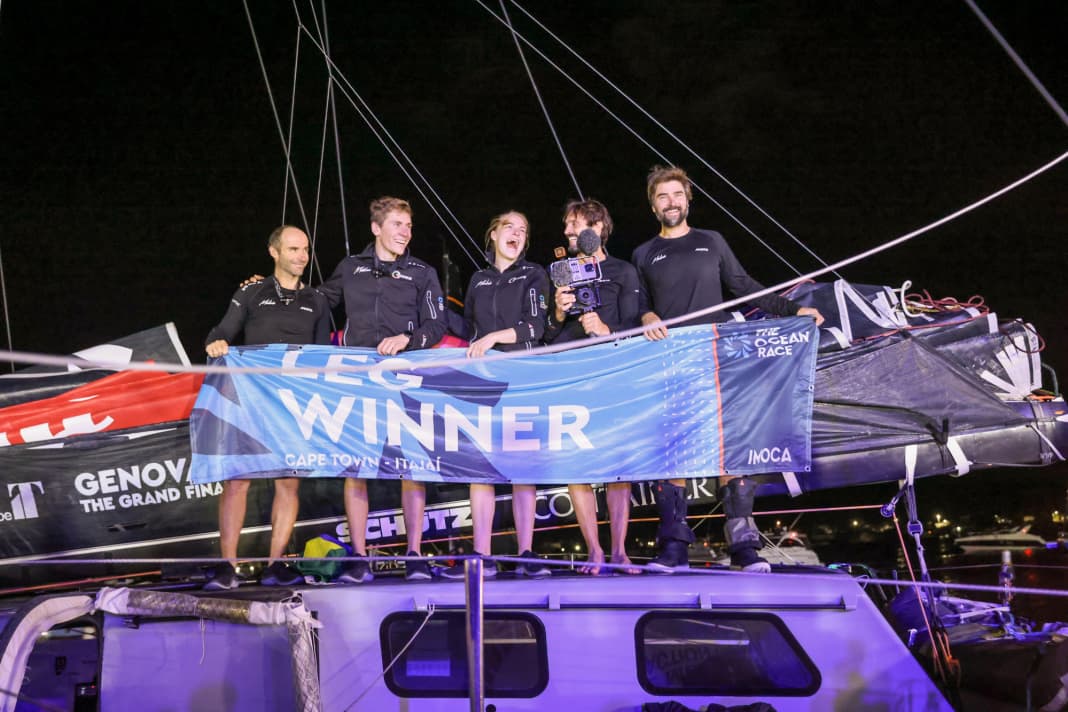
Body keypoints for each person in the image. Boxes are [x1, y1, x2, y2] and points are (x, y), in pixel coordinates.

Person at [632, 165, 824, 574]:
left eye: (677, 195)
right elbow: (638, 305)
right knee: (675, 454)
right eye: (662, 197)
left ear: (688, 200)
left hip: (718, 358)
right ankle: (673, 549)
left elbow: (743, 285)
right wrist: (647, 314)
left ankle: (743, 549)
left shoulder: (711, 242)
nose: (671, 202)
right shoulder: (643, 253)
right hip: (671, 361)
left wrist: (793, 310)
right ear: (653, 206)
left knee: (730, 450)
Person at [319, 196, 447, 583]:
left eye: (408, 226)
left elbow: (437, 326)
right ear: (376, 228)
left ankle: (414, 554)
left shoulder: (422, 272)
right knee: (356, 466)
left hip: (404, 379)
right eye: (397, 225)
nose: (405, 233)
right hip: (358, 381)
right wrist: (267, 291)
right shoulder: (350, 267)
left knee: (412, 464)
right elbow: (317, 301)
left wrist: (408, 339)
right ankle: (358, 557)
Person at [203, 225, 332, 590]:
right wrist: (216, 344)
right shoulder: (251, 291)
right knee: (237, 480)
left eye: (305, 249)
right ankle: (228, 565)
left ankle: (276, 564)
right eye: (293, 249)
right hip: (252, 396)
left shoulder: (317, 300)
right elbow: (220, 332)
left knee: (288, 483)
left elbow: (322, 355)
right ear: (274, 252)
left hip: (294, 402)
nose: (301, 256)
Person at [441, 211, 551, 579]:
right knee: (481, 469)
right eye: (509, 227)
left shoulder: (534, 274)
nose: (517, 234)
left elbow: (534, 326)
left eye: (523, 230)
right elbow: (469, 330)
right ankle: (481, 556)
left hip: (521, 377)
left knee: (522, 468)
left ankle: (526, 553)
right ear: (493, 233)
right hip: (483, 382)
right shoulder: (478, 279)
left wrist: (492, 338)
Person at [544, 198, 641, 576]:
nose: (569, 232)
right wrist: (556, 311)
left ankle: (619, 551)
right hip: (572, 377)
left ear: (599, 229)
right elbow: (547, 336)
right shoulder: (559, 272)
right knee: (577, 464)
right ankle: (594, 551)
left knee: (618, 467)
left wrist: (606, 330)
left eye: (577, 225)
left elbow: (637, 325)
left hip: (614, 376)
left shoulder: (624, 271)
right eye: (567, 225)